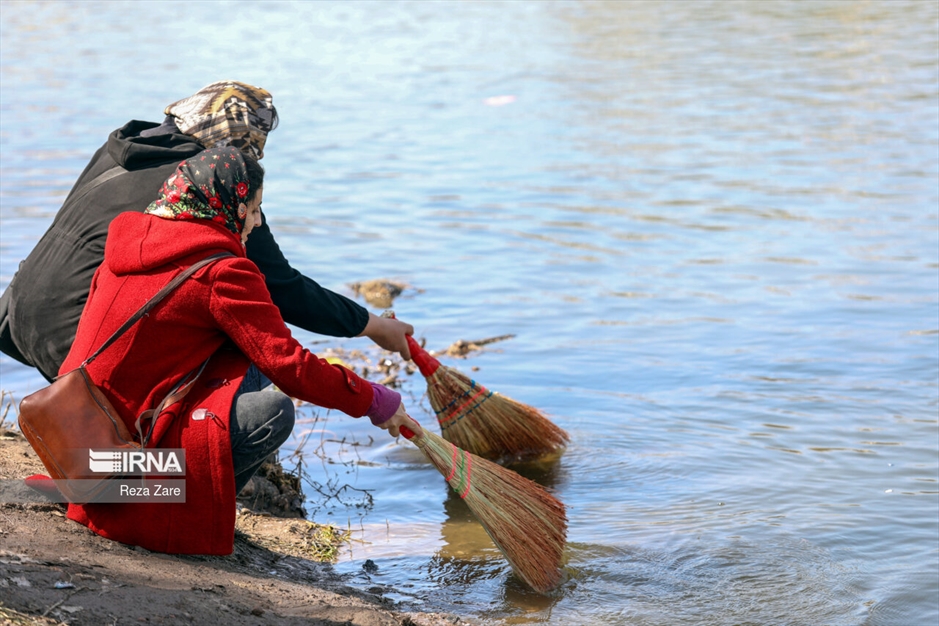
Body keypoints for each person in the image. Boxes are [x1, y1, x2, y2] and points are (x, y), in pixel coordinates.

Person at [58, 146, 421, 555]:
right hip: (125, 471)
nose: (257, 221)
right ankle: (174, 517)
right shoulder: (221, 271)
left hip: (75, 453)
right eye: (254, 208)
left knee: (247, 360)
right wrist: (374, 400)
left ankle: (154, 502)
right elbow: (291, 366)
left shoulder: (128, 242)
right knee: (272, 412)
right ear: (227, 205)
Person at [0, 80, 412, 383]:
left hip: (18, 320)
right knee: (245, 352)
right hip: (75, 341)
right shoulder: (206, 184)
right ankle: (169, 475)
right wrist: (374, 326)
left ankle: (114, 443)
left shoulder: (122, 152)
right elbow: (282, 288)